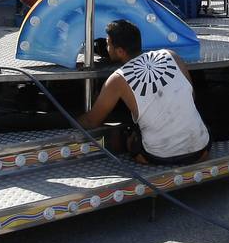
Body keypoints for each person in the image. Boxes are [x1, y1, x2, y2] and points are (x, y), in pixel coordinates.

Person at [79, 19, 211, 165]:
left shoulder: (118, 79)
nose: (106, 47)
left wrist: (69, 120)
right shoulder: (171, 55)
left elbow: (92, 121)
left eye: (108, 43)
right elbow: (190, 96)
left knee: (128, 136)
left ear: (120, 51)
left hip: (158, 156)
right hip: (201, 150)